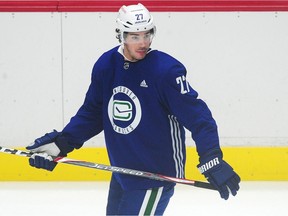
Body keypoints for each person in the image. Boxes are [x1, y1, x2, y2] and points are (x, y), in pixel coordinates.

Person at [26, 3, 240, 215]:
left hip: (153, 176)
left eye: (147, 35)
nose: (143, 43)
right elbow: (93, 113)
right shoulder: (107, 64)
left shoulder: (166, 71)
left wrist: (211, 156)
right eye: (135, 36)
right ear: (120, 35)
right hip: (122, 172)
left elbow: (198, 117)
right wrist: (61, 143)